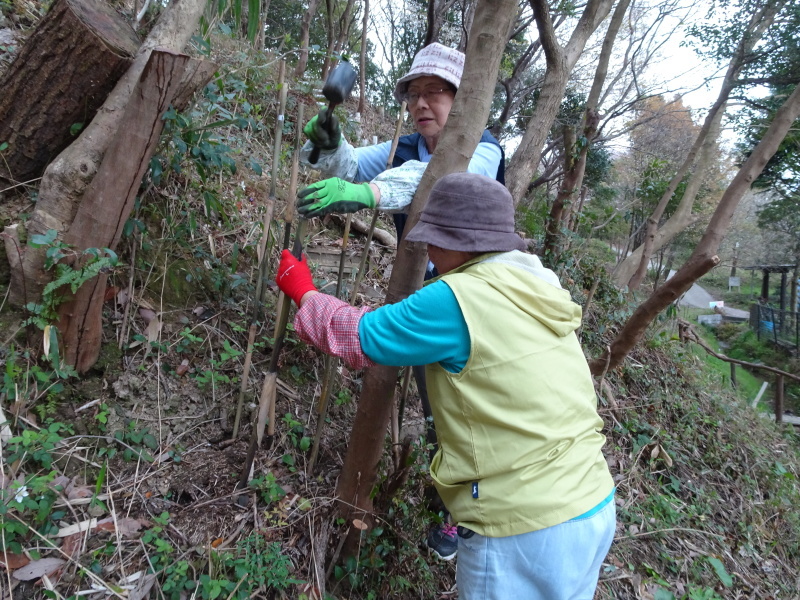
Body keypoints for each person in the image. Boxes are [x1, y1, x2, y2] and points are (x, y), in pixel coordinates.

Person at [275, 172, 617, 600]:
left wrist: (304, 291)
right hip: (591, 500)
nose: (430, 251)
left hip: (522, 521)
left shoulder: (459, 297)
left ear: (463, 241)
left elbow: (362, 336)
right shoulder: (538, 286)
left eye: (435, 239)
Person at [297, 42, 505, 559]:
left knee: (470, 407)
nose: (422, 103)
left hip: (480, 296)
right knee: (435, 399)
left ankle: (474, 511)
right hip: (425, 292)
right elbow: (349, 166)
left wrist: (369, 196)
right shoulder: (402, 148)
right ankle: (446, 500)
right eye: (414, 93)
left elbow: (439, 181)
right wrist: (328, 144)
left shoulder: (484, 146)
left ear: (464, 99)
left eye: (436, 91)